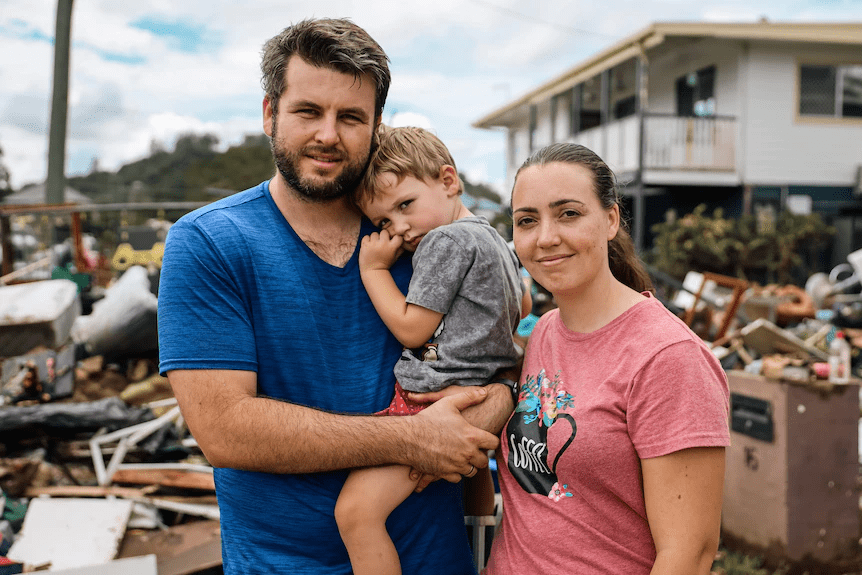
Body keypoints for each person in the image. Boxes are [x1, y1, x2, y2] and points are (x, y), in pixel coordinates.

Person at [157, 18, 515, 574]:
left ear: (376, 126)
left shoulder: (421, 235)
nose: (328, 134)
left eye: (351, 117)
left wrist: (494, 403)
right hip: (282, 564)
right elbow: (225, 430)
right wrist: (413, 439)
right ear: (270, 113)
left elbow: (504, 354)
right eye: (308, 111)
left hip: (438, 560)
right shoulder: (210, 243)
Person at [484, 143, 730, 575]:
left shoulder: (669, 358)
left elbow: (688, 555)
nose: (545, 237)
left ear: (611, 219)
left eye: (568, 214)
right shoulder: (542, 332)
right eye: (527, 221)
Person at [334, 125, 531, 575]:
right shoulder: (494, 239)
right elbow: (523, 304)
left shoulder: (446, 240)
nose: (400, 229)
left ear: (448, 181)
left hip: (435, 401)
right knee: (474, 477)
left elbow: (411, 329)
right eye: (385, 221)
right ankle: (480, 551)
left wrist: (373, 268)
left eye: (405, 206)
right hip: (482, 390)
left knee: (356, 514)